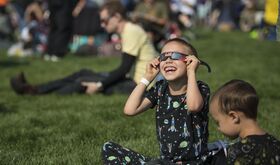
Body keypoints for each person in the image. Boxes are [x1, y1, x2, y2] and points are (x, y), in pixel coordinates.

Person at [10, 0, 157, 95]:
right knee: (83, 73)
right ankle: (36, 89)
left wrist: (99, 85)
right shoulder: (129, 30)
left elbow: (124, 69)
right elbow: (124, 70)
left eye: (105, 21)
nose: (102, 25)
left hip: (140, 87)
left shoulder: (131, 30)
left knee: (82, 81)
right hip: (134, 81)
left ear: (117, 17)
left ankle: (35, 91)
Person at [101, 38, 211, 164]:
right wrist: (147, 77)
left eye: (175, 56)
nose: (168, 60)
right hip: (165, 162)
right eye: (163, 57)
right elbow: (130, 110)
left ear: (190, 62)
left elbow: (193, 106)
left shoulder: (201, 88)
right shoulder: (160, 89)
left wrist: (192, 72)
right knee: (109, 148)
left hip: (194, 162)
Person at [209, 79, 280, 165]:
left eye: (218, 122)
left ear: (233, 117)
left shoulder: (238, 151)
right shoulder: (275, 143)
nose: (218, 128)